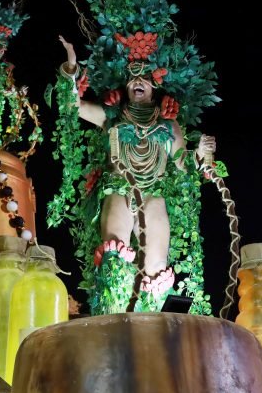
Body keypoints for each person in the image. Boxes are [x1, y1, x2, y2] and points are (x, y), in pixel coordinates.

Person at [58, 35, 216, 311]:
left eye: (144, 78)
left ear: (155, 87)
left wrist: (202, 154)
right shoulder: (112, 118)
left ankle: (152, 325)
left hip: (153, 194)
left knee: (156, 268)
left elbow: (183, 165)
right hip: (119, 189)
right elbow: (73, 106)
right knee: (113, 254)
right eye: (132, 79)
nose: (137, 82)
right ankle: (112, 317)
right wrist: (71, 67)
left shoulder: (168, 125)